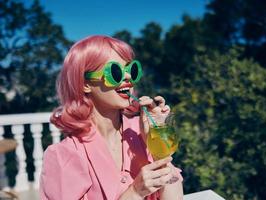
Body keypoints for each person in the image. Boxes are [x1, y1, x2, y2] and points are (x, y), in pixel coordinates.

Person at [39, 35, 183, 200]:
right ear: (85, 83)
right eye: (115, 72)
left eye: (131, 70)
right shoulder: (64, 155)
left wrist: (158, 149)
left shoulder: (141, 132)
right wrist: (135, 192)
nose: (128, 77)